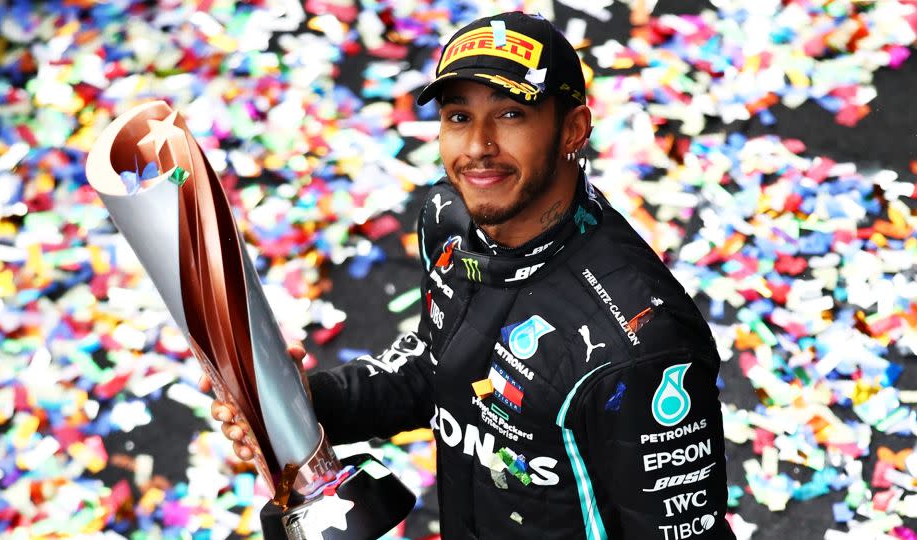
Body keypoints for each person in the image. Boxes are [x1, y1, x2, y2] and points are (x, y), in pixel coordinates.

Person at [208, 11, 734, 539]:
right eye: (459, 117)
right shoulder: (447, 218)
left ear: (573, 129)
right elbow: (442, 366)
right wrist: (301, 405)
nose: (478, 146)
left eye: (509, 115)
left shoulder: (641, 345)